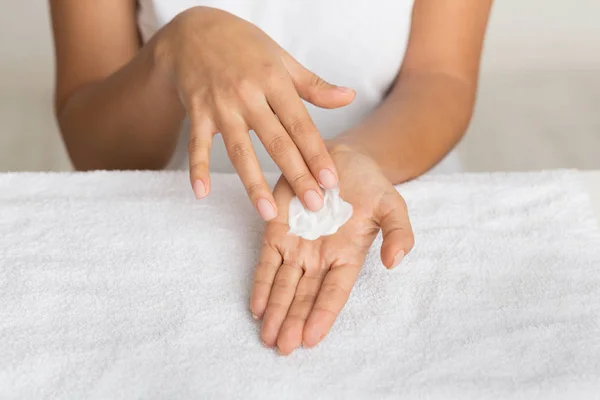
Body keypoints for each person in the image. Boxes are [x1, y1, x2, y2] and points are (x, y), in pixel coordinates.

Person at [49, 0, 493, 355]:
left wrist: (356, 156)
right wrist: (172, 50)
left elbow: (441, 76)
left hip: (391, 174)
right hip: (182, 210)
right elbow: (94, 148)